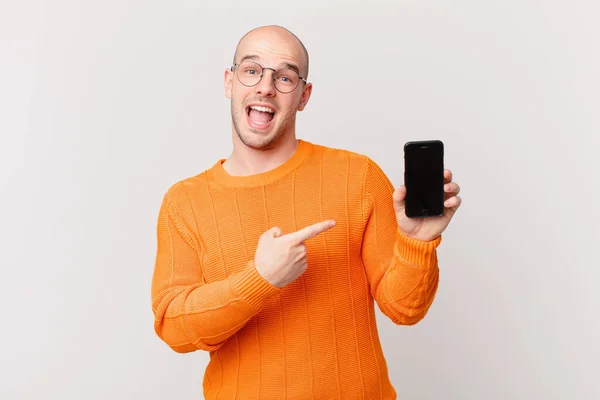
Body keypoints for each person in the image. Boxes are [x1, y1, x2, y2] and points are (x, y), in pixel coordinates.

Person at [151, 25, 462, 400]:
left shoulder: (357, 176)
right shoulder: (185, 202)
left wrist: (416, 241)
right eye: (252, 71)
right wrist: (260, 278)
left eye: (285, 76)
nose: (266, 86)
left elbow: (405, 309)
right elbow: (175, 328)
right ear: (229, 82)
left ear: (303, 96)